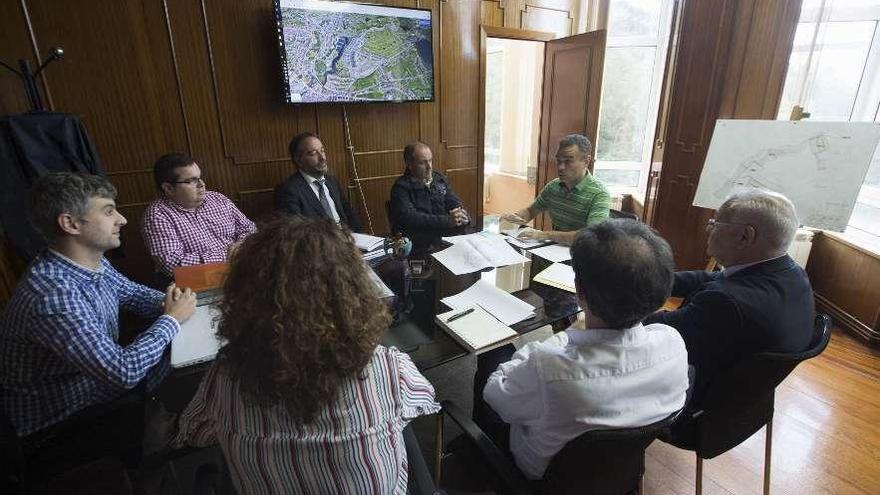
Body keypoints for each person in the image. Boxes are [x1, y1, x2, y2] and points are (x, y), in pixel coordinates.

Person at [173, 216, 440, 494]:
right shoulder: (388, 367)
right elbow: (424, 399)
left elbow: (193, 432)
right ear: (352, 291)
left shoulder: (225, 377)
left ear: (243, 297)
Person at [475, 219, 689, 480]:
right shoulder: (674, 343)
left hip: (540, 475)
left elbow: (495, 394)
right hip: (617, 471)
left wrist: (566, 336)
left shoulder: (549, 365)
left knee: (493, 355)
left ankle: (477, 460)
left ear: (579, 292)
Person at [0, 172, 196, 439]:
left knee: (189, 356)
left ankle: (167, 428)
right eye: (108, 211)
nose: (122, 219)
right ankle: (162, 442)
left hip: (90, 384)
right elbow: (123, 372)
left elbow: (132, 294)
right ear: (70, 224)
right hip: (62, 418)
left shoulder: (89, 261)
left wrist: (172, 302)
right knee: (191, 368)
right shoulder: (53, 296)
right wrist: (171, 318)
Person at [644, 189, 815, 404]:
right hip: (744, 407)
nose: (708, 229)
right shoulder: (791, 273)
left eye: (715, 224)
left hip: (696, 405)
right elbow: (712, 279)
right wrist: (645, 280)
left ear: (745, 236)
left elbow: (654, 331)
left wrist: (605, 301)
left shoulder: (726, 303)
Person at [142, 153, 256, 278]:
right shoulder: (158, 215)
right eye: (191, 181)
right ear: (169, 188)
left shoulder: (218, 199)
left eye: (200, 177)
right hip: (196, 279)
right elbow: (172, 264)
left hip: (241, 267)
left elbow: (248, 228)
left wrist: (241, 245)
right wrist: (229, 254)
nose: (201, 184)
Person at [502, 134, 610, 245]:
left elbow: (592, 236)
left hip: (582, 255)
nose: (560, 167)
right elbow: (531, 211)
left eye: (568, 161)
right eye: (559, 161)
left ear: (586, 161)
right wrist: (517, 217)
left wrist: (545, 235)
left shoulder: (599, 194)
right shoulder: (553, 186)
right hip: (554, 252)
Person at [389, 141, 469, 252]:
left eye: (430, 161)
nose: (429, 167)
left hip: (445, 237)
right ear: (409, 164)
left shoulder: (438, 179)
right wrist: (446, 221)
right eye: (423, 163)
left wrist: (461, 214)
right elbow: (412, 218)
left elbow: (452, 200)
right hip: (420, 244)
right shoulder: (400, 188)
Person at [275, 132, 362, 231]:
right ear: (298, 160)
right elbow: (295, 232)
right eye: (313, 153)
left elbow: (348, 212)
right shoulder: (288, 190)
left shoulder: (331, 181)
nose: (322, 158)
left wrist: (362, 238)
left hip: (349, 239)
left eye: (322, 151)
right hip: (320, 244)